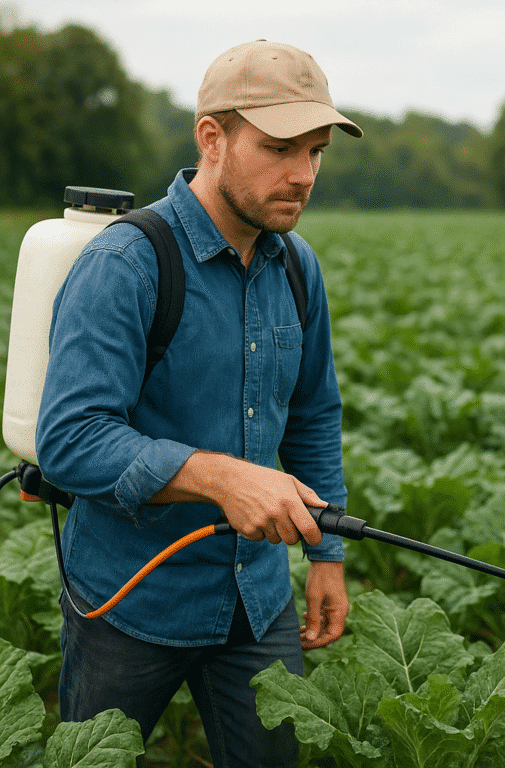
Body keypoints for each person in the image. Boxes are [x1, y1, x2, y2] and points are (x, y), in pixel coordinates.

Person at [35, 39, 363, 768]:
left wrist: (326, 554)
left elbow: (313, 415)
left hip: (257, 599)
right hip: (127, 600)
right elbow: (70, 438)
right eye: (280, 149)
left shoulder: (298, 268)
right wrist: (221, 477)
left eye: (315, 152)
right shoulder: (126, 265)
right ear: (212, 138)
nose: (303, 176)